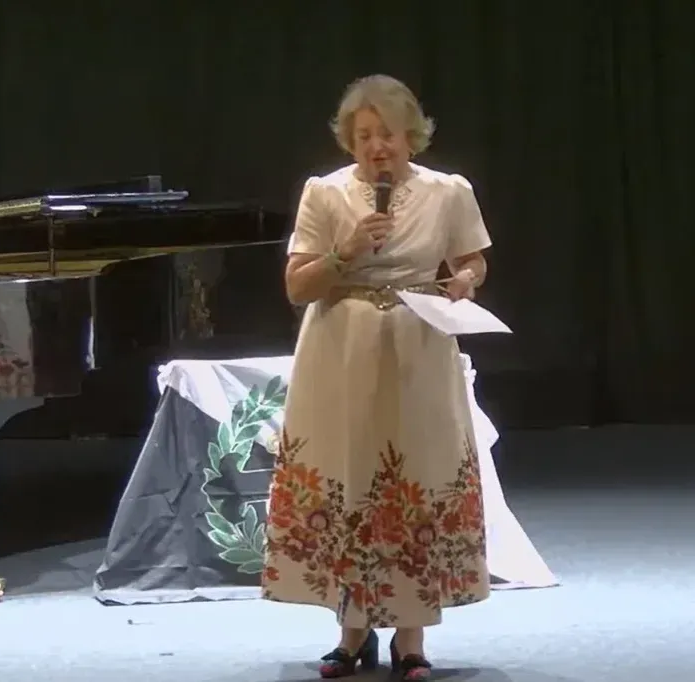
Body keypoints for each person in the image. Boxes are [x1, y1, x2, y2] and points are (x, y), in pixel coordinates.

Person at [261, 74, 492, 681]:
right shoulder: (325, 194)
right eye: (363, 136)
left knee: (417, 475)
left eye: (385, 133)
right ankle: (351, 632)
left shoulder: (449, 191)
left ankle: (411, 639)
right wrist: (346, 252)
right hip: (341, 350)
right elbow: (297, 287)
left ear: (410, 134)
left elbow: (472, 260)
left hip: (419, 345)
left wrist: (465, 280)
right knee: (349, 473)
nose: (376, 147)